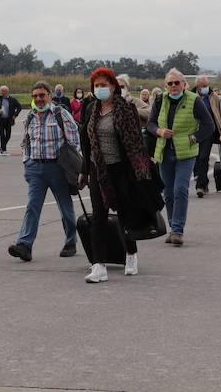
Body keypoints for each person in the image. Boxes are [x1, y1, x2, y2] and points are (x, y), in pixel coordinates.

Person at [79, 68, 152, 282]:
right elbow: (86, 142)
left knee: (123, 215)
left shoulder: (125, 108)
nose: (100, 89)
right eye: (96, 85)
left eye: (104, 85)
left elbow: (135, 143)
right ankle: (99, 265)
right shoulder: (91, 109)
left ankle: (131, 255)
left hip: (121, 169)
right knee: (98, 217)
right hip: (98, 169)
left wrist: (140, 171)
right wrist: (85, 170)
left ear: (113, 86)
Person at [8, 82, 80, 262]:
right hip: (36, 169)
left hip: (58, 168)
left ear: (50, 96)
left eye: (42, 95)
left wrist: (73, 169)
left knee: (65, 207)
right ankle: (25, 245)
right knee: (32, 206)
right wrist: (27, 162)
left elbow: (74, 142)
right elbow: (25, 142)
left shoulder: (60, 114)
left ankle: (71, 241)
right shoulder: (29, 117)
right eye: (35, 96)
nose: (39, 99)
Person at [147, 68, 214, 245]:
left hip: (186, 153)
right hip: (165, 151)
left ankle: (177, 229)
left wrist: (194, 138)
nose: (174, 86)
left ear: (184, 84)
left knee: (180, 190)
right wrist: (159, 131)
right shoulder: (160, 99)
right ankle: (172, 227)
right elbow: (150, 124)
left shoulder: (194, 100)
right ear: (165, 85)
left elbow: (209, 125)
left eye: (177, 82)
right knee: (168, 193)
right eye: (170, 83)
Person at [193, 75, 221, 197]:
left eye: (207, 85)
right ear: (197, 86)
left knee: (203, 157)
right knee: (195, 158)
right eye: (203, 86)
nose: (205, 88)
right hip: (193, 131)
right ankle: (202, 180)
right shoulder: (190, 96)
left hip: (208, 131)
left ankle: (201, 186)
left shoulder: (214, 97)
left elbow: (219, 114)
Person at [0, 85, 22, 156]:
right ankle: (4, 150)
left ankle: (2, 146)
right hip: (0, 120)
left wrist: (15, 115)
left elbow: (19, 107)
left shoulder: (12, 100)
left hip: (8, 120)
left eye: (2, 91)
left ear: (6, 92)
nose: (1, 92)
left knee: (8, 135)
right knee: (2, 135)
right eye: (0, 91)